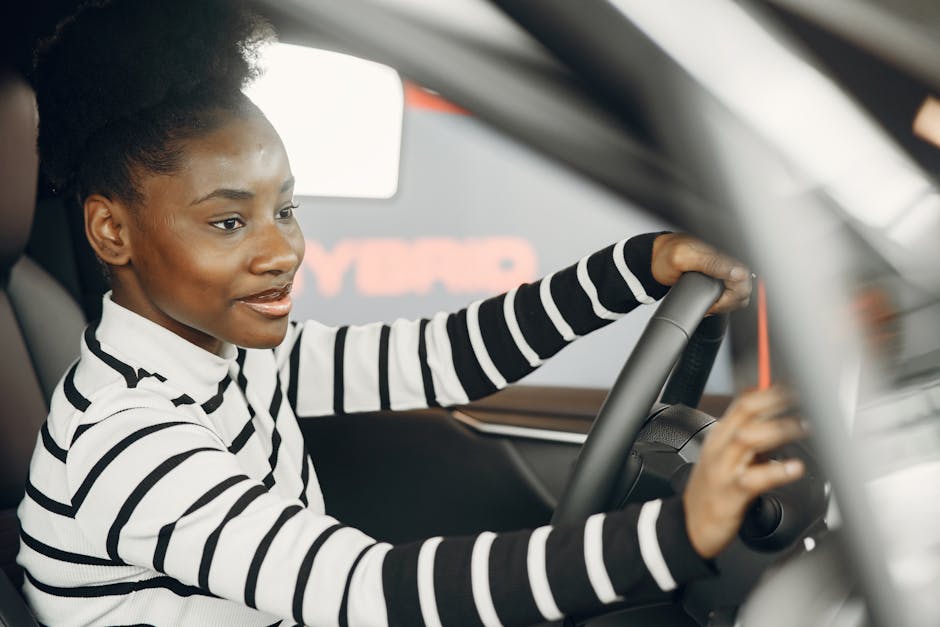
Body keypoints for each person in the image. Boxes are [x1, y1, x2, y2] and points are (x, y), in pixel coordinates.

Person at [17, 1, 806, 625]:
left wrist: (638, 266)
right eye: (229, 222)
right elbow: (362, 589)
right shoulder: (125, 440)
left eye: (285, 209)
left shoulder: (226, 351)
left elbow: (443, 358)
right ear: (111, 231)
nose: (283, 251)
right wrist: (673, 535)